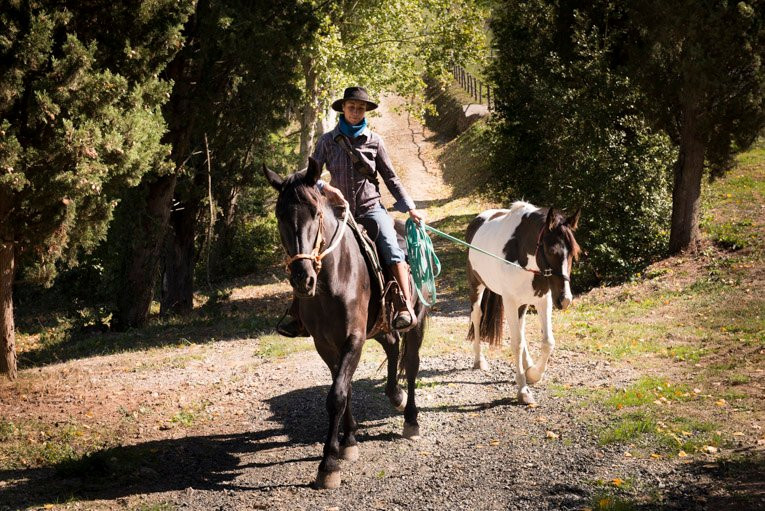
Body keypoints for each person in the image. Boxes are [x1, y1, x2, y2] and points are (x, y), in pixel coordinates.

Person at [278, 86, 425, 336]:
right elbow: (309, 175)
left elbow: (391, 177)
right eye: (351, 107)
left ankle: (403, 305)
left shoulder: (375, 141)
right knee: (307, 253)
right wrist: (326, 187)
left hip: (371, 210)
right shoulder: (326, 140)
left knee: (390, 246)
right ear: (343, 109)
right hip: (337, 213)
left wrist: (410, 207)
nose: (355, 112)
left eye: (360, 108)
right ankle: (298, 312)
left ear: (365, 110)